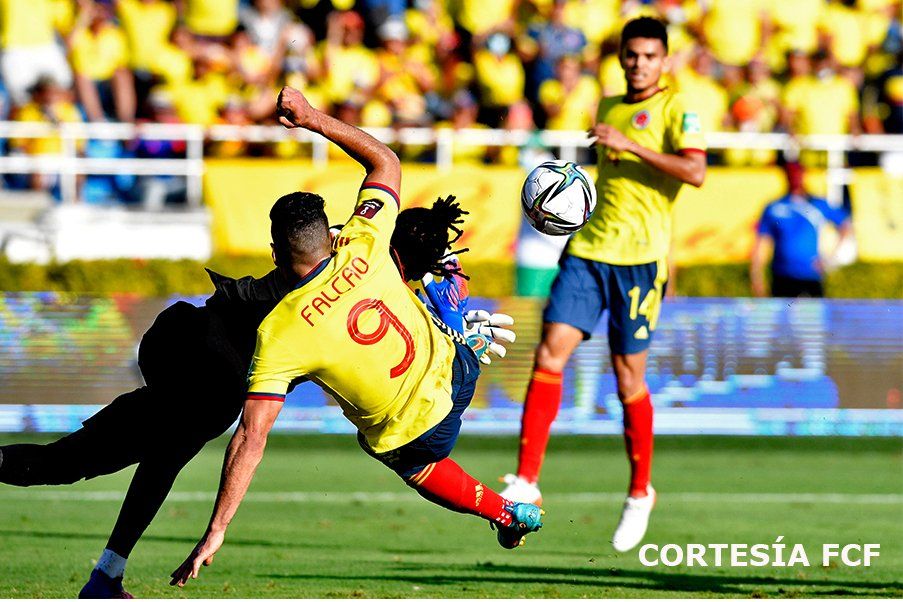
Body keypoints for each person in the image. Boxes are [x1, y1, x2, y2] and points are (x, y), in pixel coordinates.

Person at [0, 194, 513, 599]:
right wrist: (458, 335)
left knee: (150, 458)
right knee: (80, 462)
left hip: (192, 355)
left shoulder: (345, 256)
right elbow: (254, 432)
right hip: (201, 370)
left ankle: (106, 578)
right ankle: (105, 577)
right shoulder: (358, 281)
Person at [169, 85, 543, 589]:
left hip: (422, 431)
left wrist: (216, 530)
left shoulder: (279, 334)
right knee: (409, 242)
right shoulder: (362, 241)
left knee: (397, 452)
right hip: (458, 370)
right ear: (331, 234)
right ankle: (446, 304)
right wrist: (310, 117)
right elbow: (385, 161)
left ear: (276, 253)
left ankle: (503, 513)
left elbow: (250, 438)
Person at [499, 17, 706, 553]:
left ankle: (640, 491)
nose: (638, 63)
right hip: (589, 251)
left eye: (649, 56)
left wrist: (631, 145)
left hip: (640, 261)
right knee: (550, 352)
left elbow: (695, 172)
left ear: (664, 60)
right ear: (621, 58)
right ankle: (526, 479)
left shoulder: (679, 109)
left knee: (626, 378)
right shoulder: (609, 106)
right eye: (631, 55)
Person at [750, 161, 852, 298]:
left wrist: (830, 259)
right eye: (791, 174)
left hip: (810, 276)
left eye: (798, 174)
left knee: (811, 318)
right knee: (783, 319)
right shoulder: (774, 207)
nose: (795, 178)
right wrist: (756, 275)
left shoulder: (817, 205)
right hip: (782, 275)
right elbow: (762, 241)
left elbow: (845, 224)